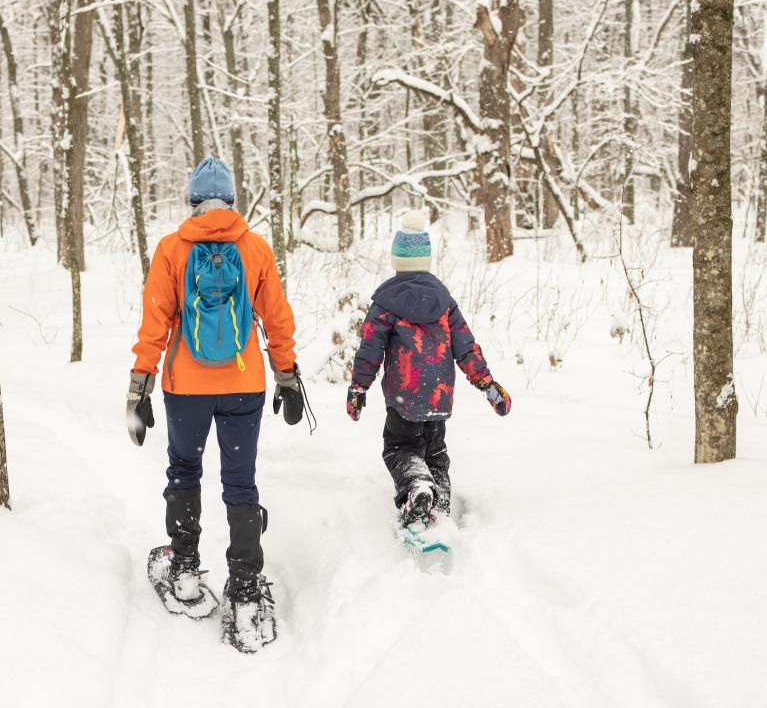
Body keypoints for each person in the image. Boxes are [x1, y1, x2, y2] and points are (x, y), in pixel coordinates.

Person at [126, 156, 304, 652]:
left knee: (184, 470)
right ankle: (246, 589)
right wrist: (287, 378)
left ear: (192, 203)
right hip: (245, 384)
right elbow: (278, 321)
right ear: (231, 200)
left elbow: (154, 326)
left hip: (186, 386)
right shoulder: (255, 248)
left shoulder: (170, 250)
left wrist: (138, 388)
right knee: (240, 481)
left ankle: (184, 572)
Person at [346, 210, 511, 527]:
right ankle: (440, 502)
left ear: (396, 259)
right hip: (439, 398)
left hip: (404, 399)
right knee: (435, 453)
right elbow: (466, 347)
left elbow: (370, 349)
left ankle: (417, 487)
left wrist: (358, 388)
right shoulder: (444, 301)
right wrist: (488, 384)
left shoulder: (385, 302)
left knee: (400, 448)